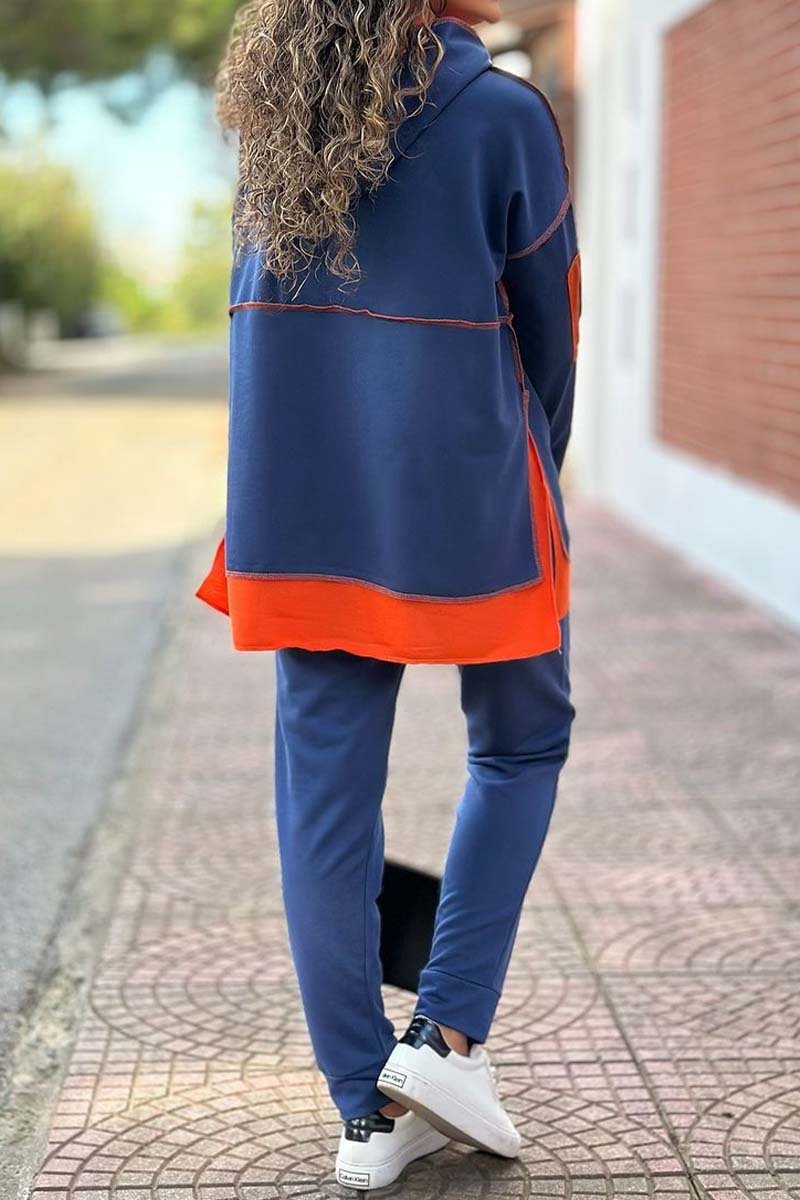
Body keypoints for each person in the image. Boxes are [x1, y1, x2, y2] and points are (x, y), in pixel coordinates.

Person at [197, 0, 579, 1189]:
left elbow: (258, 324)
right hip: (468, 496)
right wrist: (535, 475)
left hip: (301, 498)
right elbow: (550, 329)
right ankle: (446, 1039)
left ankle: (364, 1114)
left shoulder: (272, 117)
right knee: (521, 740)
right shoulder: (504, 114)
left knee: (323, 794)